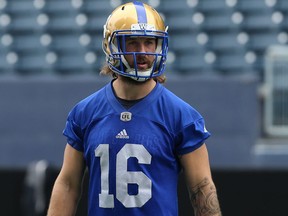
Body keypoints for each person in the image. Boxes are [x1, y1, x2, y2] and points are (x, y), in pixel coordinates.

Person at [47, 1, 222, 216]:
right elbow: (68, 184)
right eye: (132, 42)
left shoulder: (181, 116)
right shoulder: (85, 112)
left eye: (149, 42)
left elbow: (202, 188)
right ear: (112, 45)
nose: (143, 52)